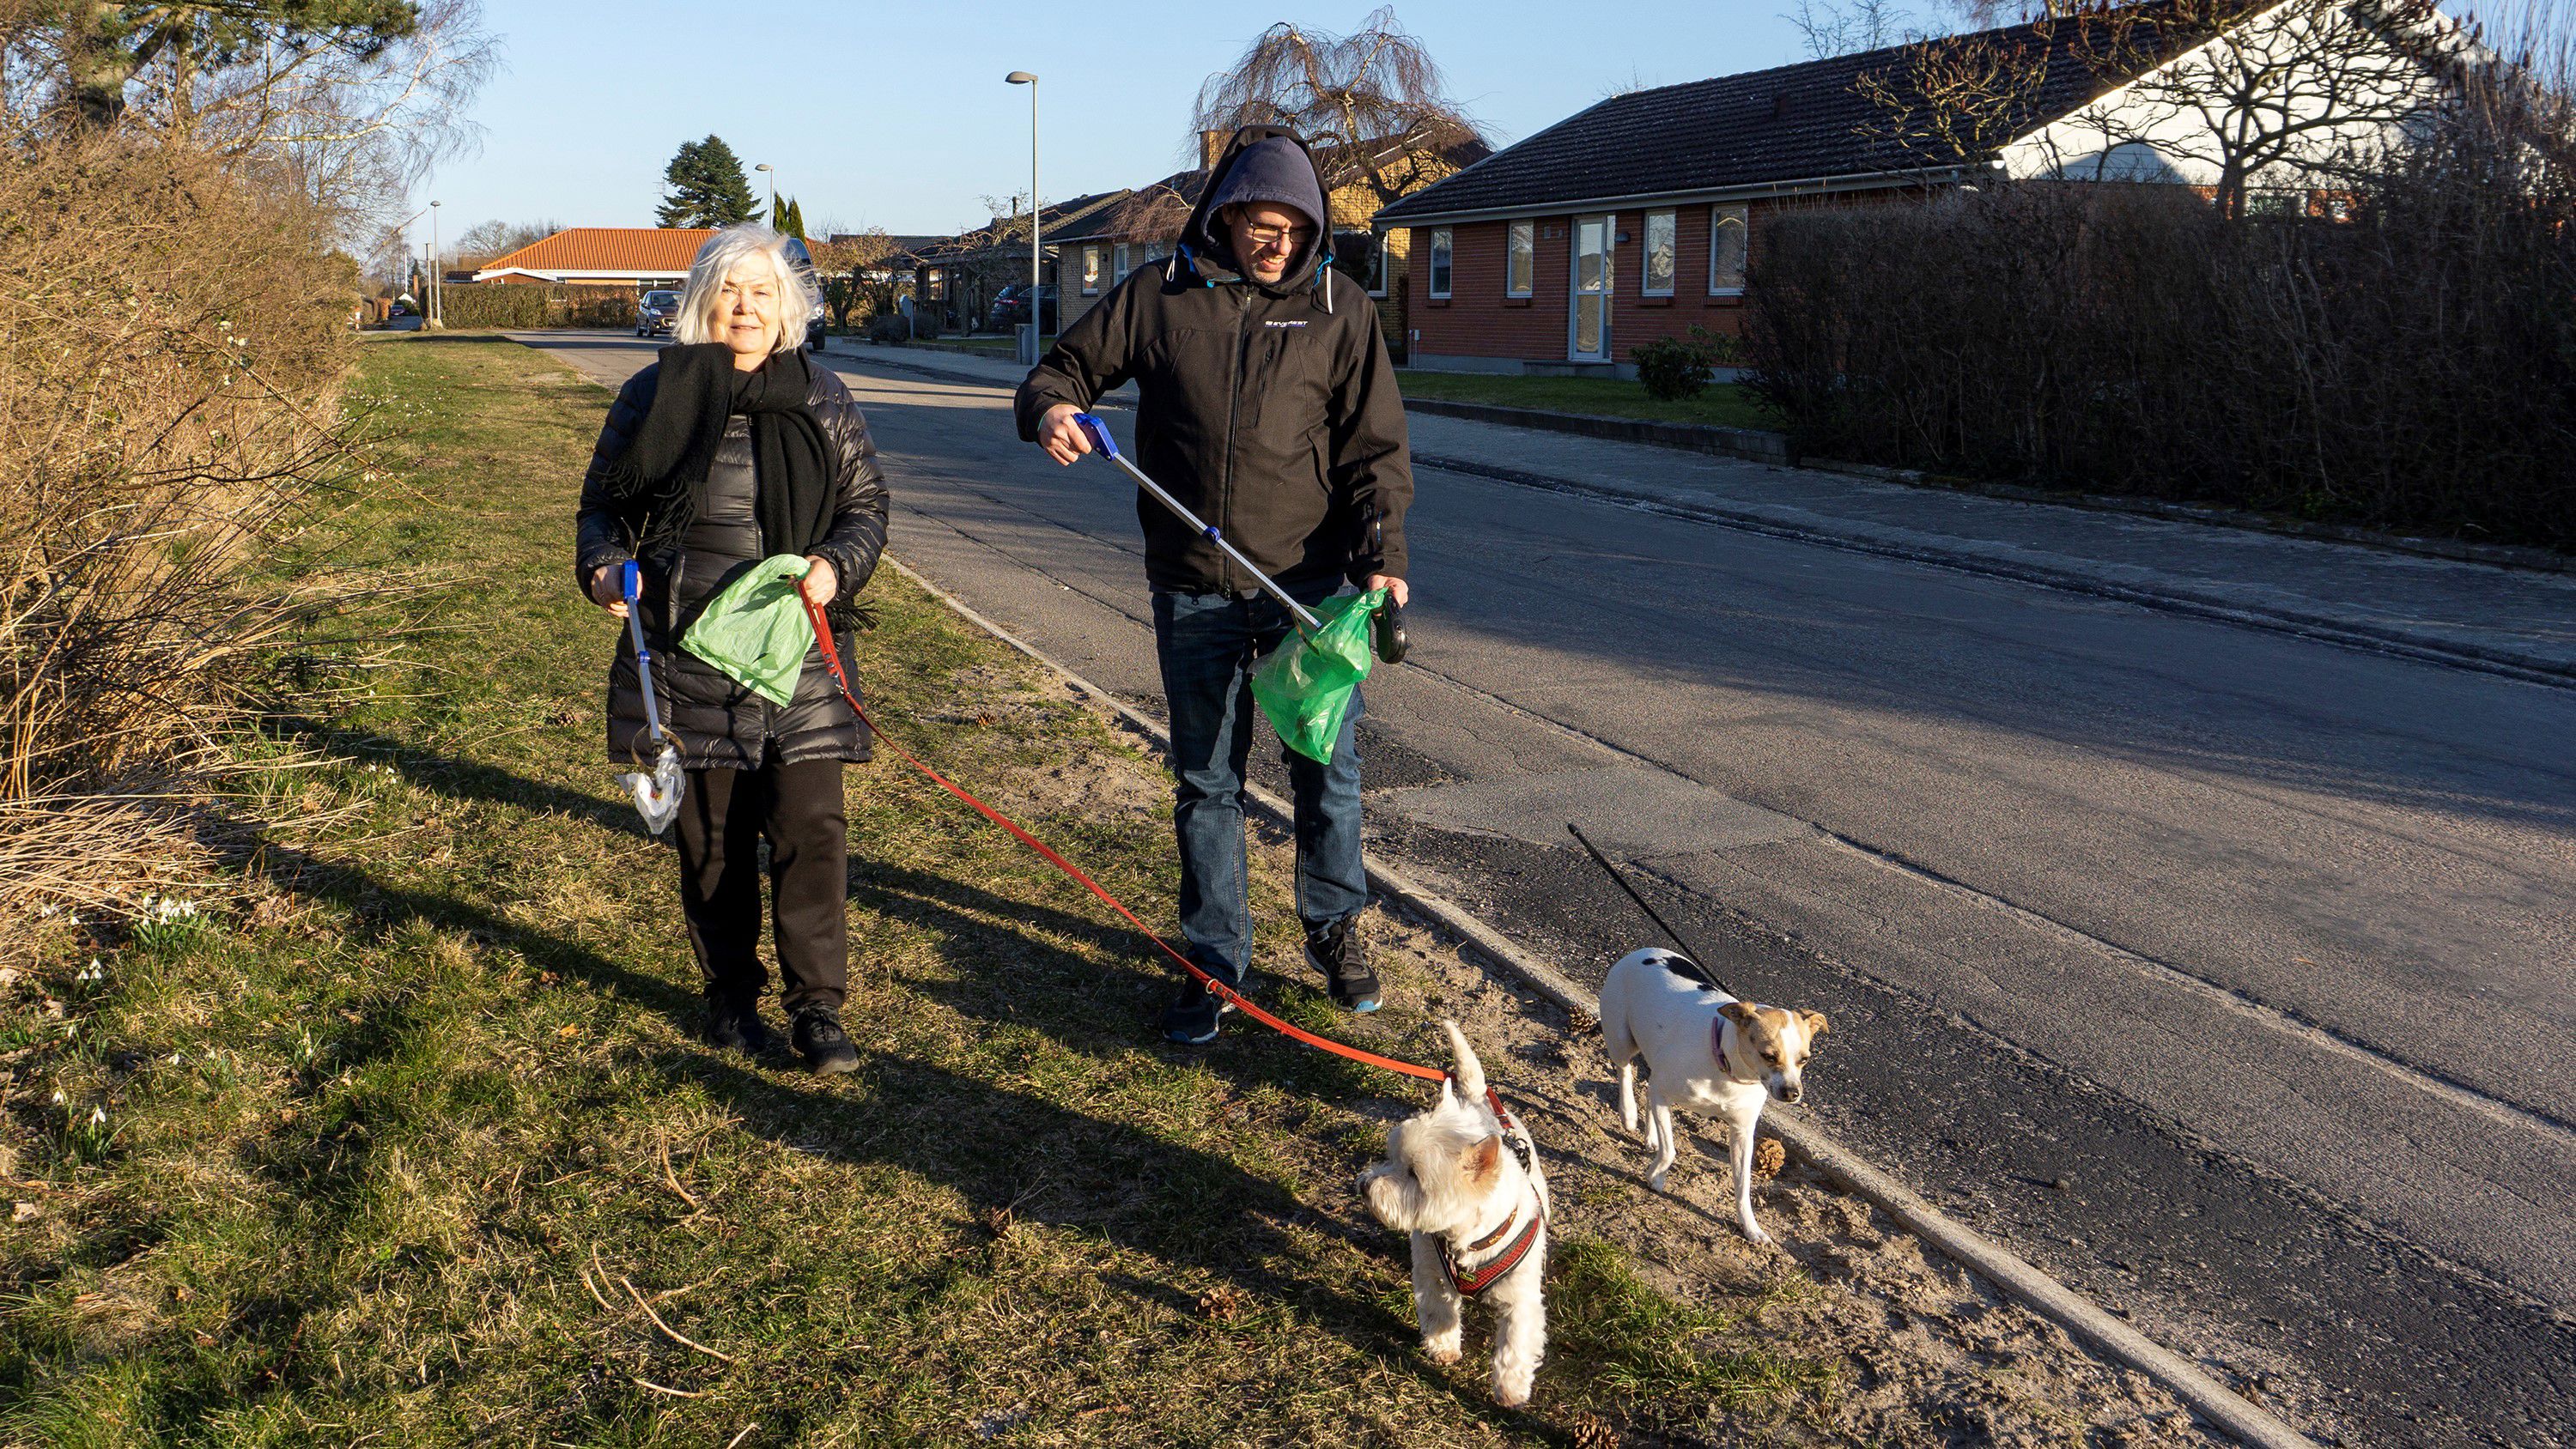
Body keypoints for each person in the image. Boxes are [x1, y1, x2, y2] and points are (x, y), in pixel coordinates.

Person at [1015, 126, 1414, 1046]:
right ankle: (1214, 960)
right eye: (1257, 223)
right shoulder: (1161, 296)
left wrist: (1383, 553)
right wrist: (1050, 411)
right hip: (1194, 584)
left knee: (1327, 769)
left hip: (1308, 593)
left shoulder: (1339, 309)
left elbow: (1376, 453)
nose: (1272, 242)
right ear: (1227, 216)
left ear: (1312, 228)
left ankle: (1333, 928)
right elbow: (1057, 371)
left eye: (1291, 226)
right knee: (1206, 783)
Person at [574, 224, 889, 1075]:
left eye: (761, 291)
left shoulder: (823, 397)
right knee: (711, 840)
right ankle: (731, 1000)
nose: (744, 306)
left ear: (785, 307)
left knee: (810, 830)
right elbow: (601, 510)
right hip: (685, 654)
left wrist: (835, 565)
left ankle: (818, 1007)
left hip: (797, 656)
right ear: (702, 300)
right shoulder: (652, 396)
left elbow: (867, 510)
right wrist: (605, 569)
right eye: (729, 289)